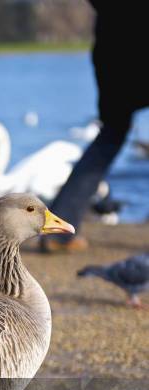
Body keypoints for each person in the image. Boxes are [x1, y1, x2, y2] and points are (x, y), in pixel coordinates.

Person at [41, 0, 149, 253]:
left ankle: (59, 232)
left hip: (111, 54)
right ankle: (59, 232)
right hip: (134, 48)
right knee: (110, 136)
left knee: (109, 137)